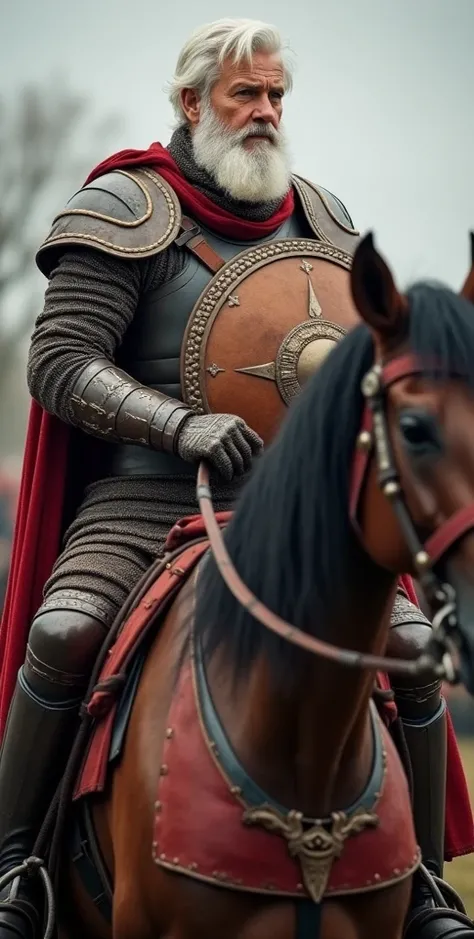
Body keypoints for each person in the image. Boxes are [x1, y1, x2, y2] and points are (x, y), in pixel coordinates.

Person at [0, 18, 472, 939]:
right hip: (146, 494)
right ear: (190, 102)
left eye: (276, 97)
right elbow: (58, 358)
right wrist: (179, 422)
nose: (265, 113)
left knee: (412, 647)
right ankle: (19, 873)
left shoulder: (325, 222)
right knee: (65, 631)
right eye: (244, 94)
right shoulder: (125, 209)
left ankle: (418, 887)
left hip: (295, 514)